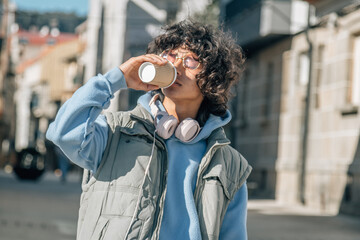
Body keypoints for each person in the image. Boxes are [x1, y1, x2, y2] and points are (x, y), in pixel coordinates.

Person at [46, 20, 252, 240]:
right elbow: (63, 133)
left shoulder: (230, 165)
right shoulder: (116, 132)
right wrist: (117, 79)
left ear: (212, 77)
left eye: (191, 61)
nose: (177, 66)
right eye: (171, 55)